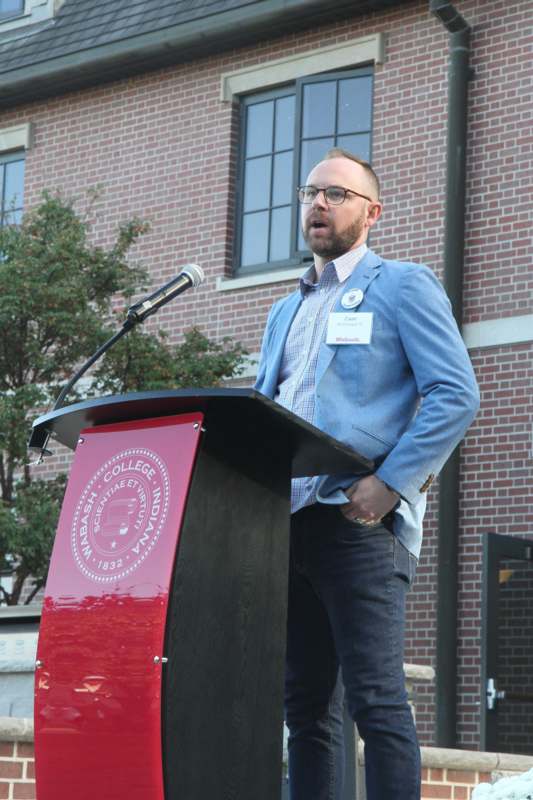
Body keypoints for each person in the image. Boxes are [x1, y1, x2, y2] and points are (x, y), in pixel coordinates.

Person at [254, 148, 480, 800]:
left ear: (371, 212)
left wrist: (391, 484)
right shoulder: (284, 309)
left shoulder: (401, 285)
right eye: (310, 192)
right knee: (304, 708)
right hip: (287, 523)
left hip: (357, 523)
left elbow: (454, 393)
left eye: (337, 194)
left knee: (377, 700)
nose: (318, 204)